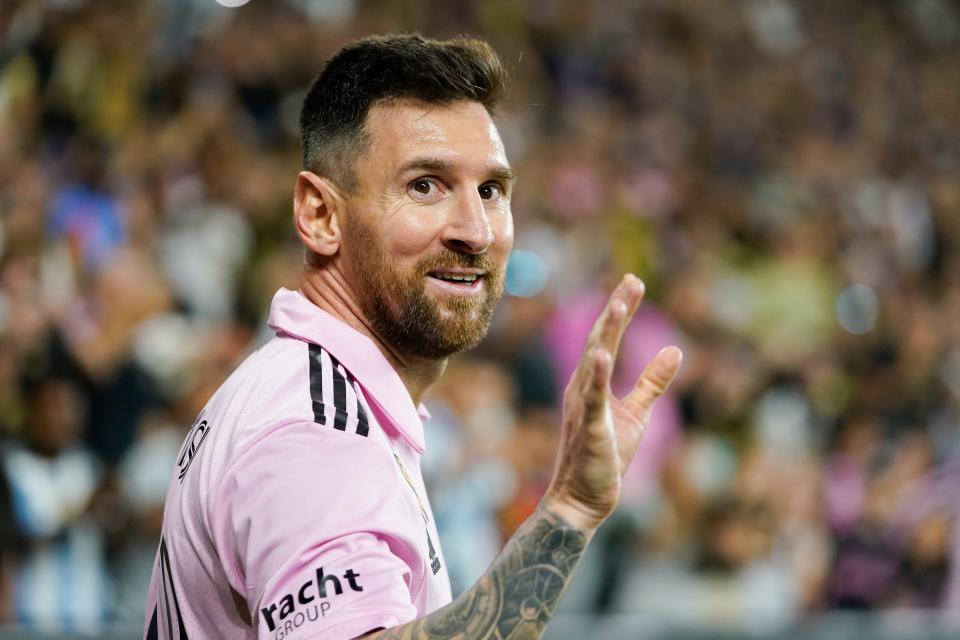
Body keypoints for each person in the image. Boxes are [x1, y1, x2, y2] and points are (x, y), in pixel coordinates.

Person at [143, 33, 682, 640]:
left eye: (491, 191)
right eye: (425, 185)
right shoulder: (316, 431)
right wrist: (567, 512)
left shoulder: (313, 394)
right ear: (320, 215)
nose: (475, 231)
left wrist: (572, 510)